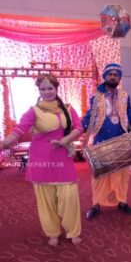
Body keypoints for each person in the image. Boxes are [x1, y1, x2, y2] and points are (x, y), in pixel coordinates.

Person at [0, 74, 83, 247]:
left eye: (50, 88)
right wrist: (4, 144)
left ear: (56, 88)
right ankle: (52, 232)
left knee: (69, 198)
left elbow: (78, 128)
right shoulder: (34, 110)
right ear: (38, 90)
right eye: (43, 89)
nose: (46, 92)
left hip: (62, 159)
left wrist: (66, 140)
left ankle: (72, 230)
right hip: (41, 160)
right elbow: (19, 130)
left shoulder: (67, 108)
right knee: (46, 200)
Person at [82, 63, 131, 220]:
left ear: (119, 78)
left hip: (121, 139)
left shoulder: (124, 96)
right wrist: (77, 129)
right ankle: (96, 204)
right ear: (105, 77)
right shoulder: (96, 97)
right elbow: (89, 117)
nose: (113, 77)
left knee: (122, 175)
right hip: (101, 140)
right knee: (99, 176)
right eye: (110, 74)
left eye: (116, 75)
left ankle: (122, 202)